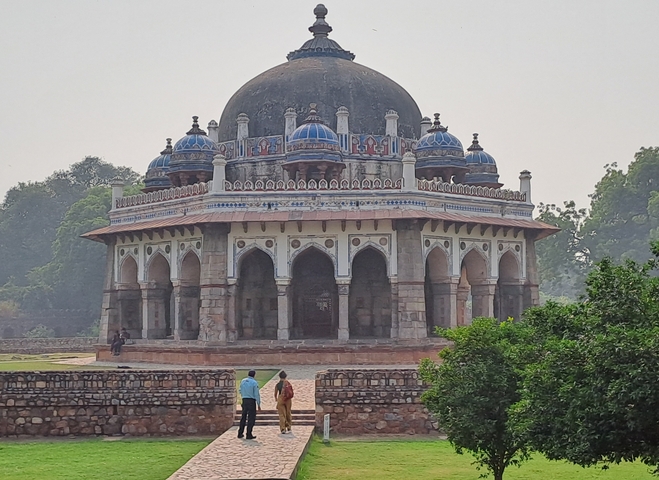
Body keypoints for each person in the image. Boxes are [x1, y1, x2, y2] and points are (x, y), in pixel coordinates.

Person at [237, 370, 261, 440]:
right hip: (251, 401)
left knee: (243, 417)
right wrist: (258, 404)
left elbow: (240, 390)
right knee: (251, 418)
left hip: (244, 400)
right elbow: (256, 394)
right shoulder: (254, 382)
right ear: (254, 375)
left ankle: (240, 433)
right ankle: (249, 434)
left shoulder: (243, 381)